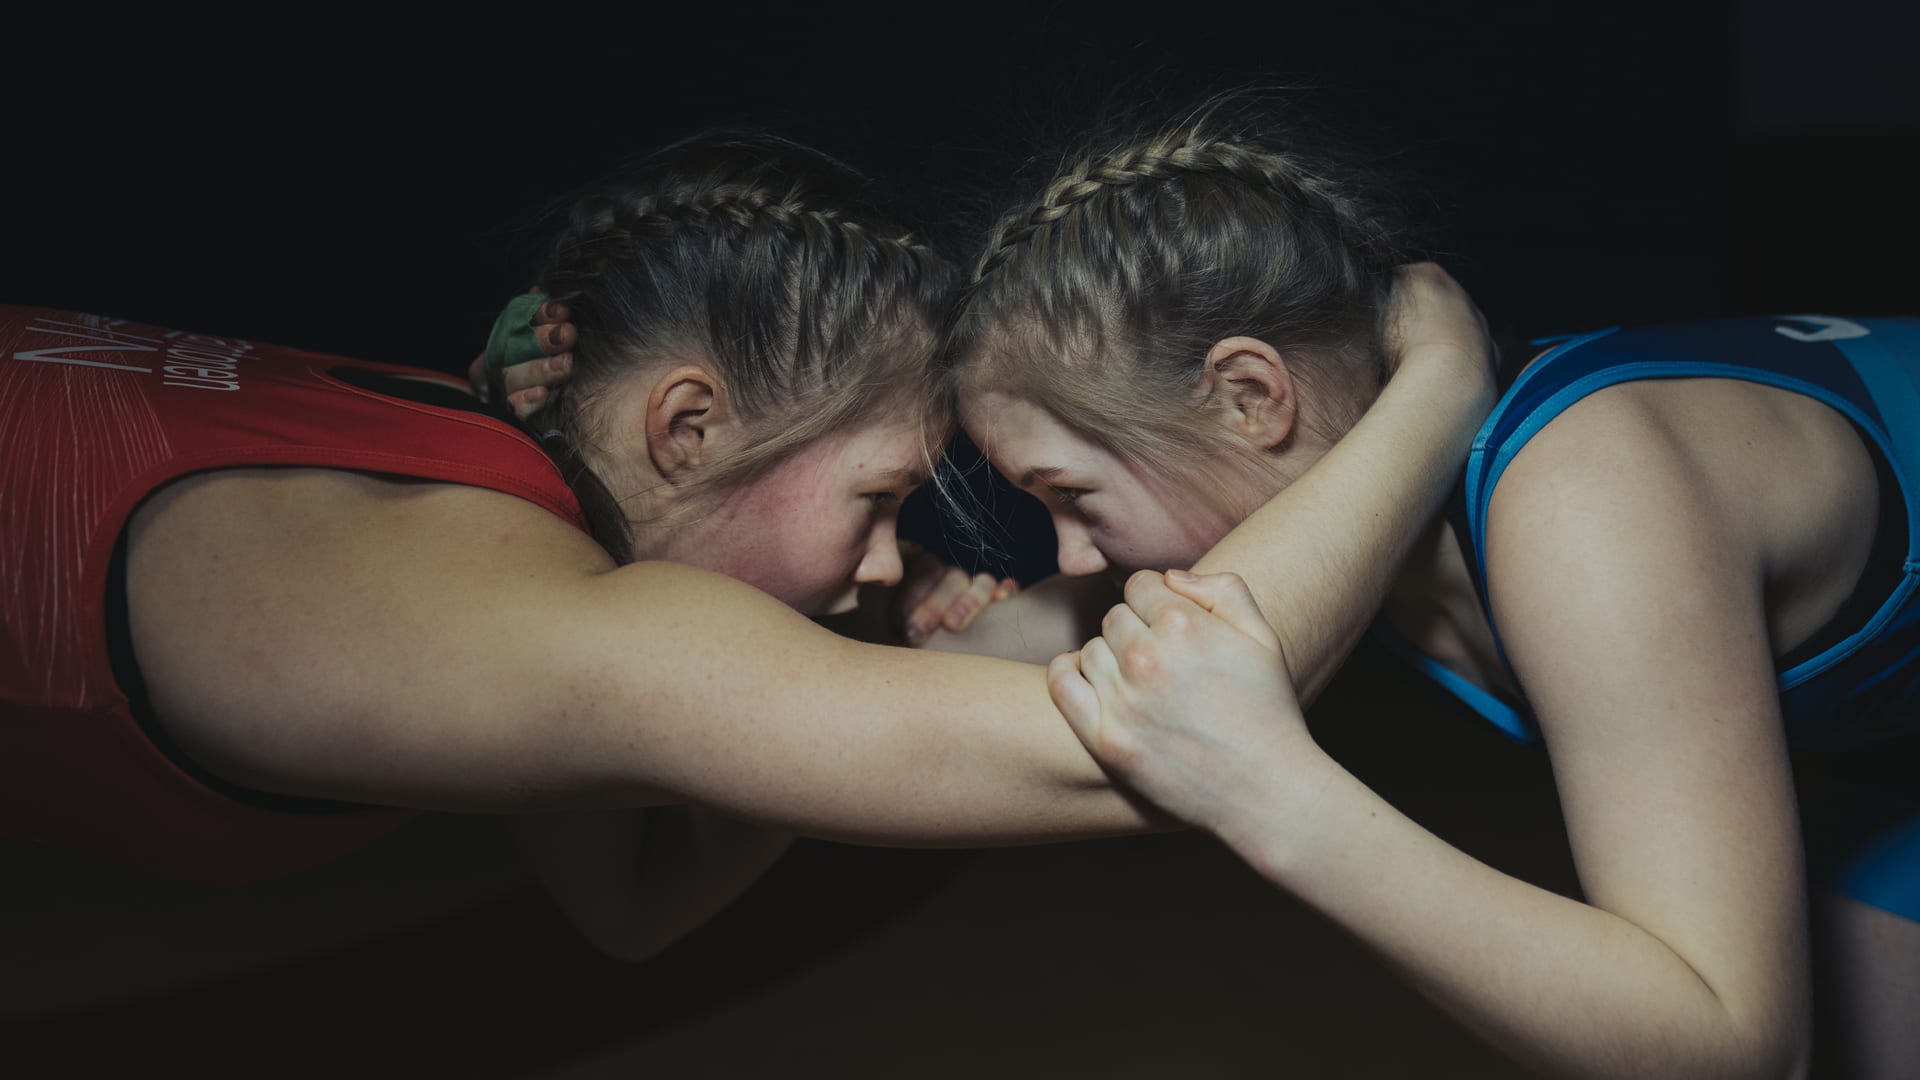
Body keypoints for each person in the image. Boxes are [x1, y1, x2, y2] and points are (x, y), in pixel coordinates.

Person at [0, 131, 1495, 965]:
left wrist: (873, 664)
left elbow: (627, 903)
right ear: (689, 426)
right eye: (877, 500)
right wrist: (1433, 391)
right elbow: (1182, 729)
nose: (883, 566)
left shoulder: (485, 445)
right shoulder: (520, 625)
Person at [925, 107, 1918, 1077]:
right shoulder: (1348, 494)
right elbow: (1032, 649)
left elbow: (1735, 1049)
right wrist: (938, 616)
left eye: (1073, 496)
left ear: (1250, 398)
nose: (1074, 558)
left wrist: (1266, 789)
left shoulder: (1583, 498)